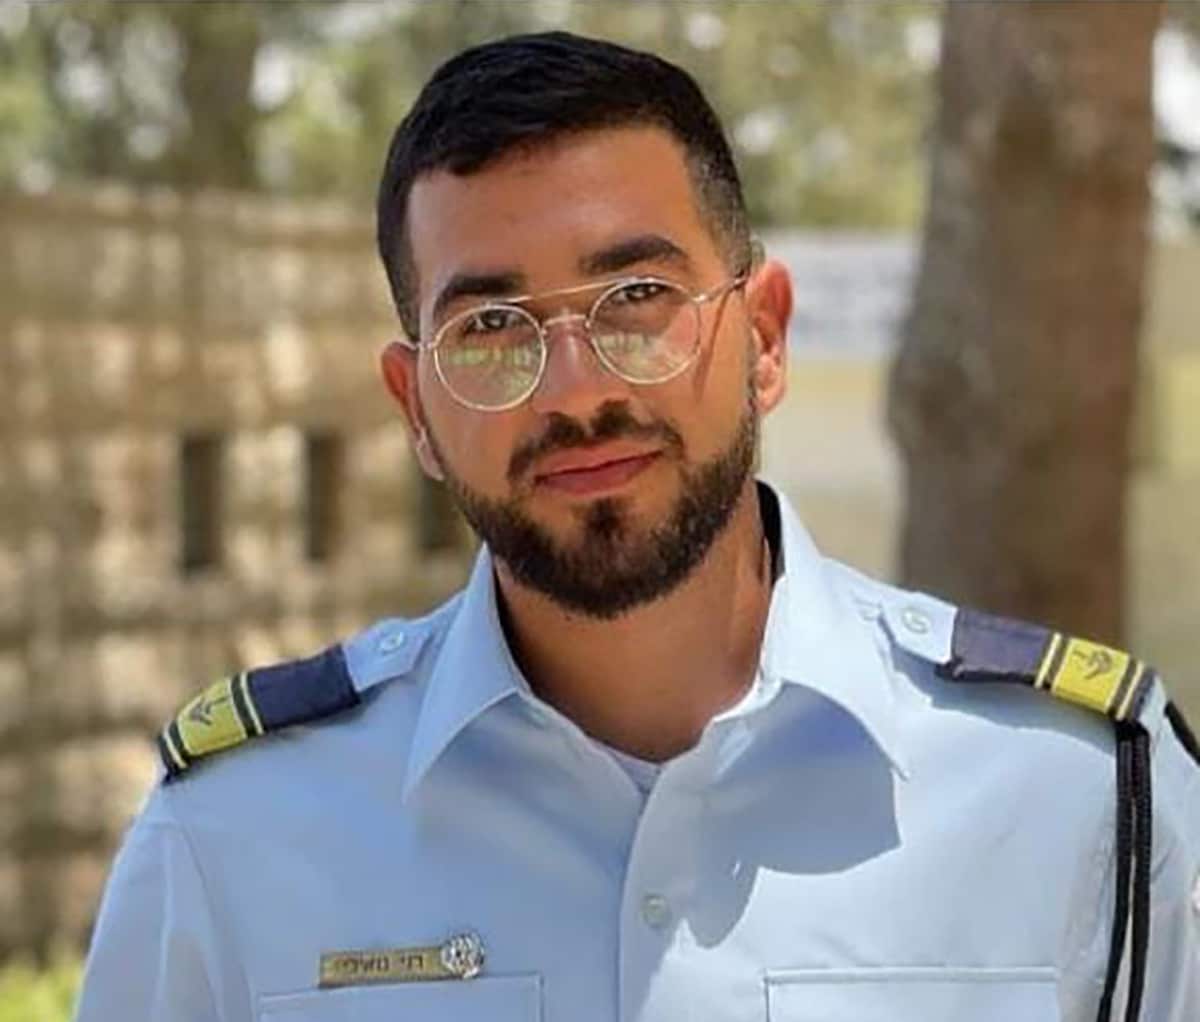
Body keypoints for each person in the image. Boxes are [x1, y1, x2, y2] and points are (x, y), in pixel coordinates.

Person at [74, 31, 1198, 1022]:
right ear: (416, 407)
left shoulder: (1085, 797)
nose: (571, 389)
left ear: (763, 336)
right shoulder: (235, 839)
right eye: (492, 327)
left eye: (638, 301)